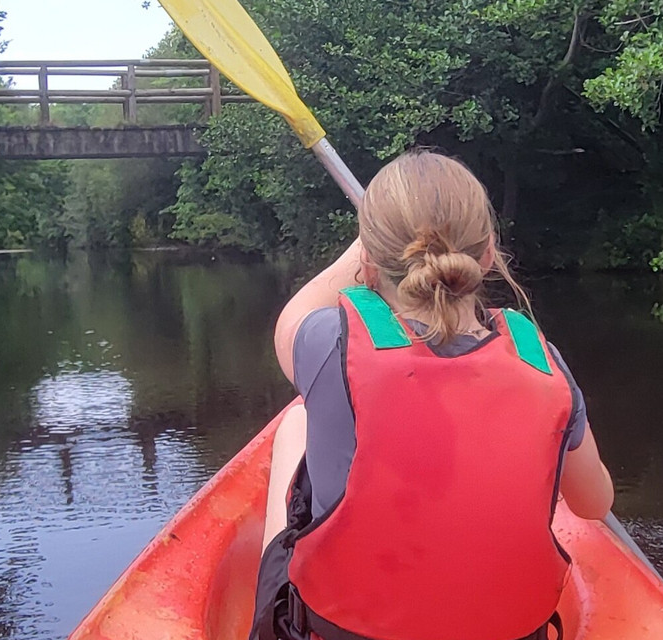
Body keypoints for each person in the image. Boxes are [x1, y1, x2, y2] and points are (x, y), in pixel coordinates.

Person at [249, 150, 614, 640]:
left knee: (296, 422)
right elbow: (593, 503)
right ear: (487, 255)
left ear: (370, 264)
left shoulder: (332, 344)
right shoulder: (541, 360)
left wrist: (363, 248)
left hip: (347, 630)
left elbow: (288, 326)